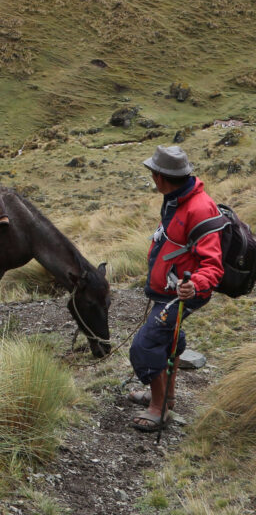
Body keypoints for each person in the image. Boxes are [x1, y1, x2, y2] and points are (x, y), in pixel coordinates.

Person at [128, 145, 224, 432]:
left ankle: (159, 409)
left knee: (145, 345)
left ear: (160, 177)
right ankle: (166, 396)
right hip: (169, 291)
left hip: (183, 294)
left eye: (153, 173)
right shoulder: (175, 199)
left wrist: (194, 285)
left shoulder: (199, 208)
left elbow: (214, 266)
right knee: (169, 337)